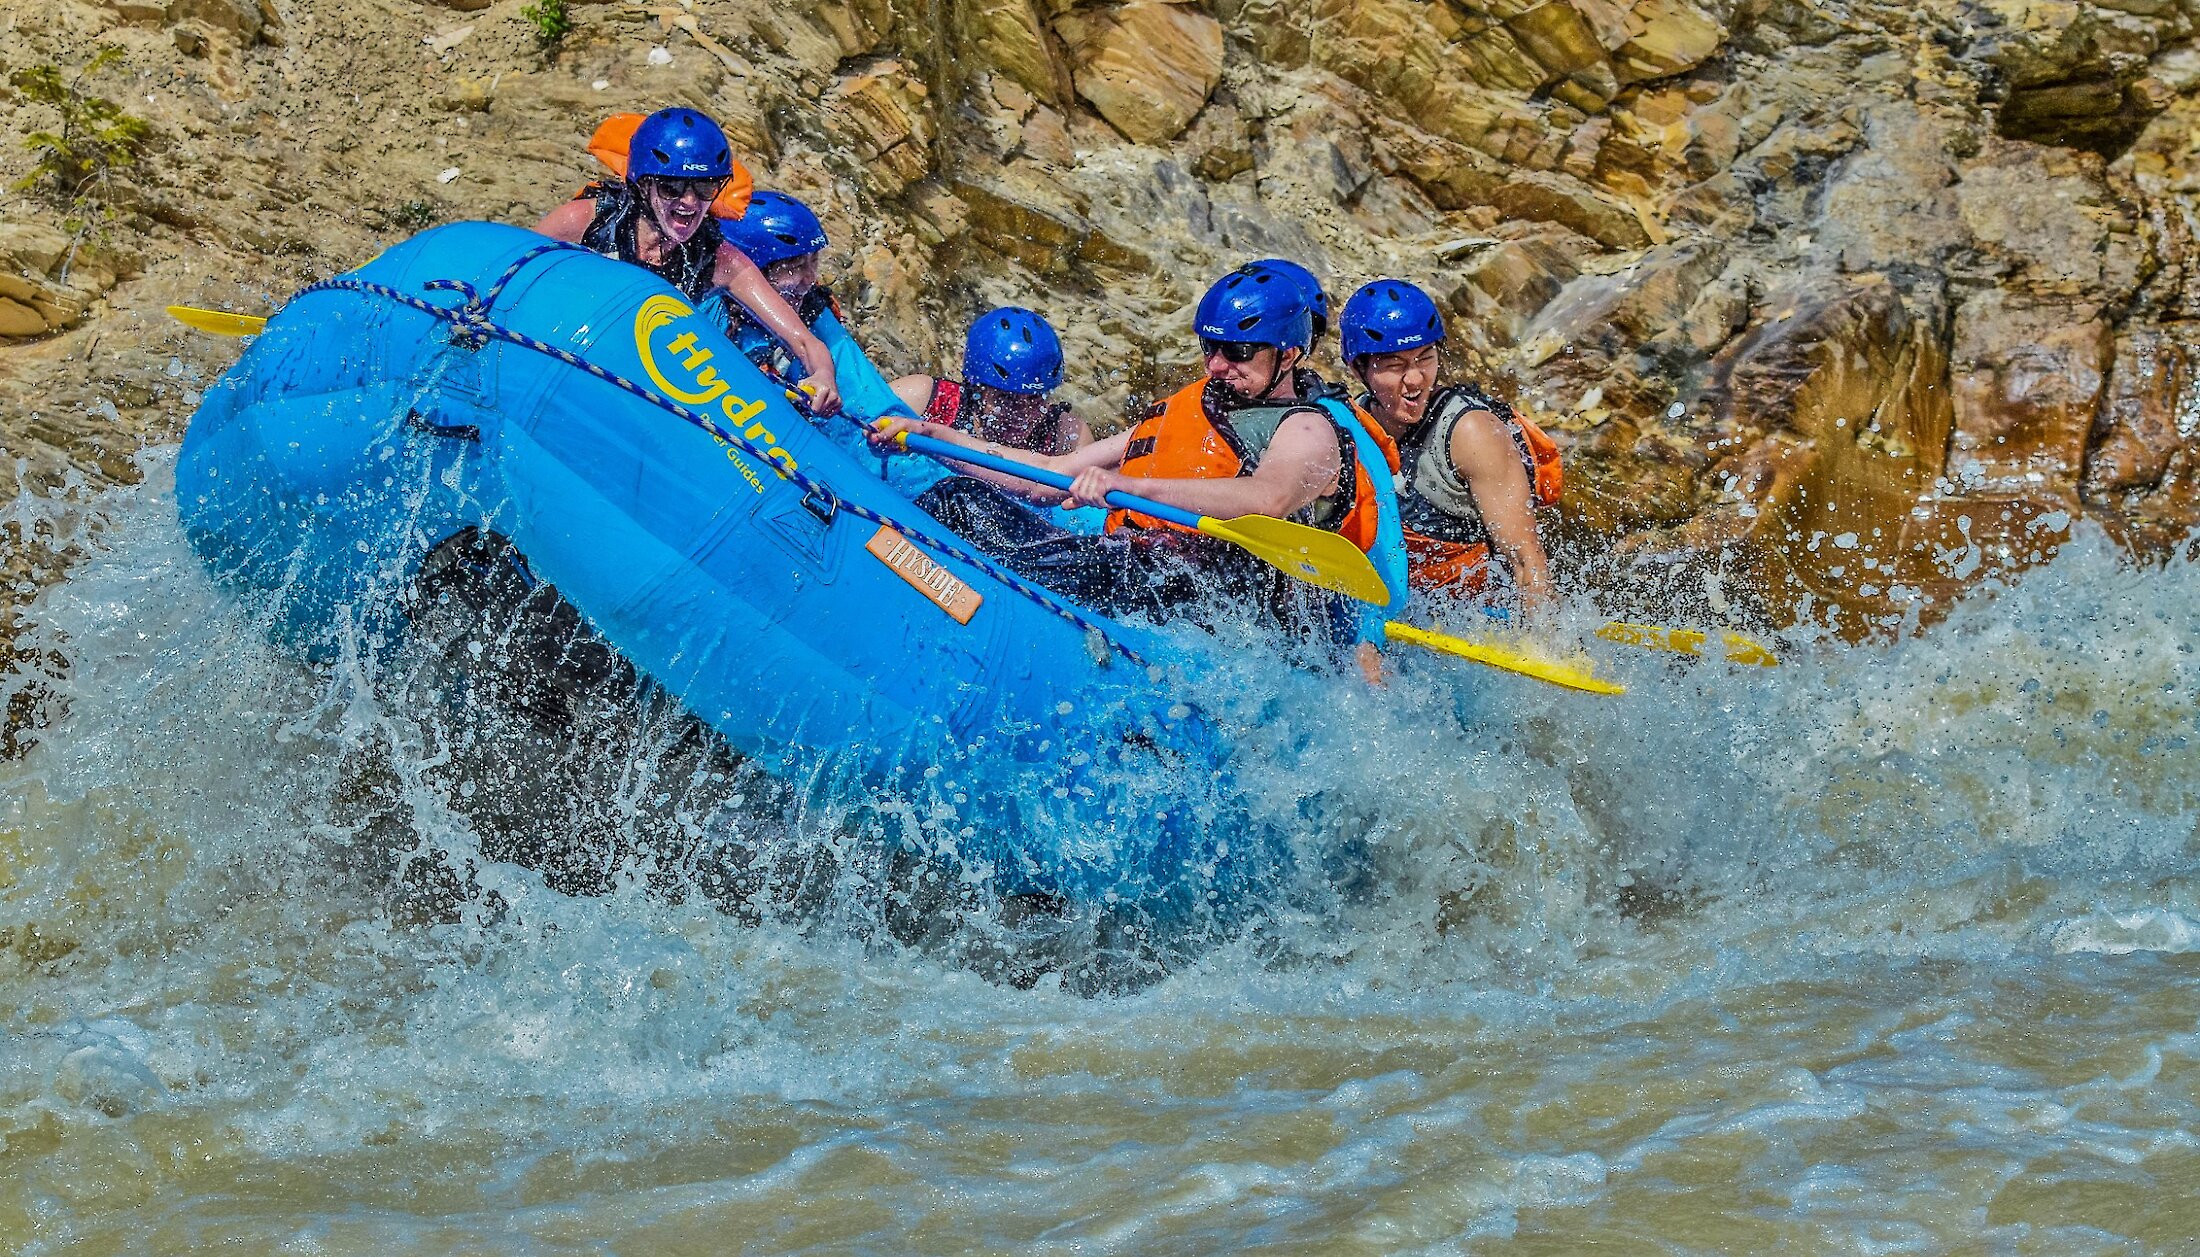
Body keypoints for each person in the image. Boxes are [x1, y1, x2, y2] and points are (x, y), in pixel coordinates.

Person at [872, 265, 1400, 638]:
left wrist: (1129, 485)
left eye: (1237, 352)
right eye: (1209, 348)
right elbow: (1047, 476)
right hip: (1137, 568)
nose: (1216, 366)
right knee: (962, 500)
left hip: (1211, 599)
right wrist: (935, 436)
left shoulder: (1311, 431)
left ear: (1290, 354)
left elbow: (1268, 497)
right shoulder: (1190, 410)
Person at [534, 108, 840, 415]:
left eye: (705, 187)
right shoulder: (587, 221)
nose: (690, 203)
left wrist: (823, 376)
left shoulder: (719, 260)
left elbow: (806, 343)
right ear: (643, 185)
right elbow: (505, 263)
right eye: (671, 187)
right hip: (566, 343)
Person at [1339, 278, 1559, 607]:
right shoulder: (1348, 427)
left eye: (1425, 359)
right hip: (1403, 615)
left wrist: (1543, 646)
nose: (1414, 379)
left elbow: (1527, 562)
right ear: (1358, 370)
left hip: (1483, 621)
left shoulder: (1472, 433)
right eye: (1395, 365)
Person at [891, 307, 1091, 457]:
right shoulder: (925, 398)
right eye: (1006, 398)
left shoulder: (1066, 436)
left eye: (1034, 399)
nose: (1022, 414)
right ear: (976, 387)